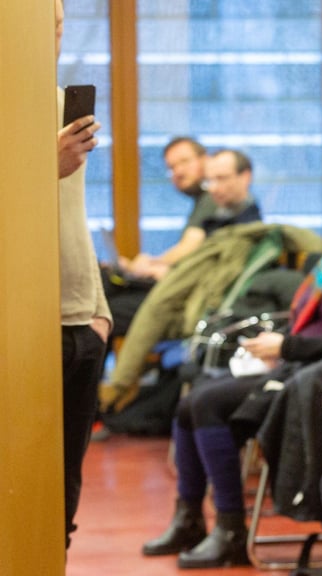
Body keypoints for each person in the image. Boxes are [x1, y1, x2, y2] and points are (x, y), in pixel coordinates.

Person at [140, 167, 322, 569]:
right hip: (298, 362)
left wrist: (287, 346)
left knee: (205, 404)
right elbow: (310, 324)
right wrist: (279, 347)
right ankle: (189, 519)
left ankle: (230, 530)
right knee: (189, 403)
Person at [97, 147, 262, 414]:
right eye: (212, 181)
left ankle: (101, 402)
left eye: (222, 179)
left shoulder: (245, 227)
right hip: (183, 295)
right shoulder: (217, 214)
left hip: (193, 310)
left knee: (104, 310)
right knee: (105, 288)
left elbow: (203, 269)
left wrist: (160, 268)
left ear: (245, 177)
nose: (215, 188)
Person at [54, 0, 113, 550]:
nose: (53, 35)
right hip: (25, 322)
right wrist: (44, 165)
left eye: (59, 25)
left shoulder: (59, 108)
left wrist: (99, 309)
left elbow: (75, 215)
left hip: (81, 318)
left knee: (69, 472)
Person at [102, 136, 216, 345]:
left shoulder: (212, 199)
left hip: (186, 294)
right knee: (104, 289)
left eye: (184, 162)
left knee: (103, 312)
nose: (178, 172)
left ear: (205, 159)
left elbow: (189, 247)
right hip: (176, 283)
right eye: (172, 167)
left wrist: (151, 264)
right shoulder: (203, 201)